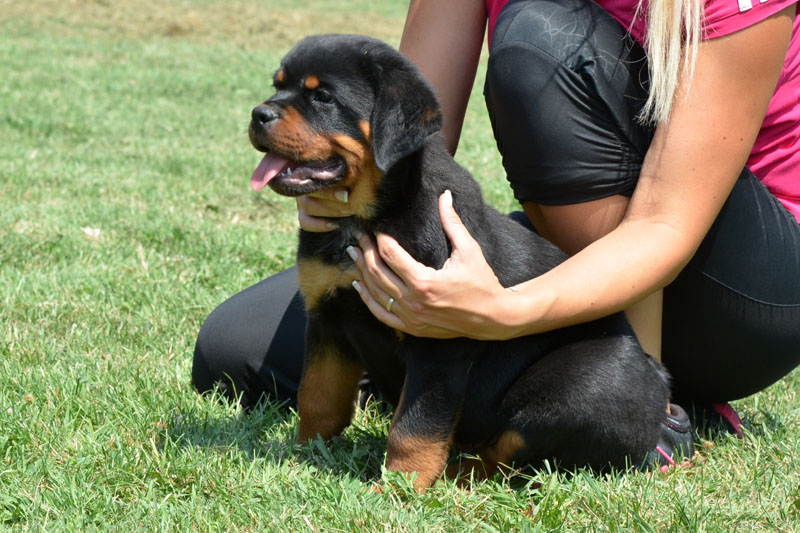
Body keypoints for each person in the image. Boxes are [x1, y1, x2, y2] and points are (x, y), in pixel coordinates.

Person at [193, 0, 800, 465]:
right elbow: (404, 143)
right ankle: (482, 391)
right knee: (234, 350)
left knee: (542, 39)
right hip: (576, 248)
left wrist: (503, 311)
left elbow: (665, 223)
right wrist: (337, 186)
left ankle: (649, 408)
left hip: (739, 284)